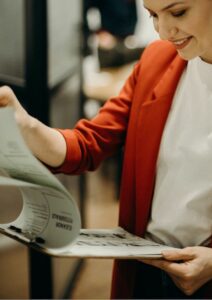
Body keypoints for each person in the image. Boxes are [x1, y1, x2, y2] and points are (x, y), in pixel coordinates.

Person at [1, 0, 212, 298]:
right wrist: (26, 125)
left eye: (178, 13)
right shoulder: (158, 59)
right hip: (147, 267)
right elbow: (90, 143)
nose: (164, 32)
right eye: (152, 15)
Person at [83, 0, 144, 68]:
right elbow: (82, 11)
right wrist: (98, 33)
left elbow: (134, 16)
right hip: (108, 45)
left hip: (126, 42)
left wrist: (131, 35)